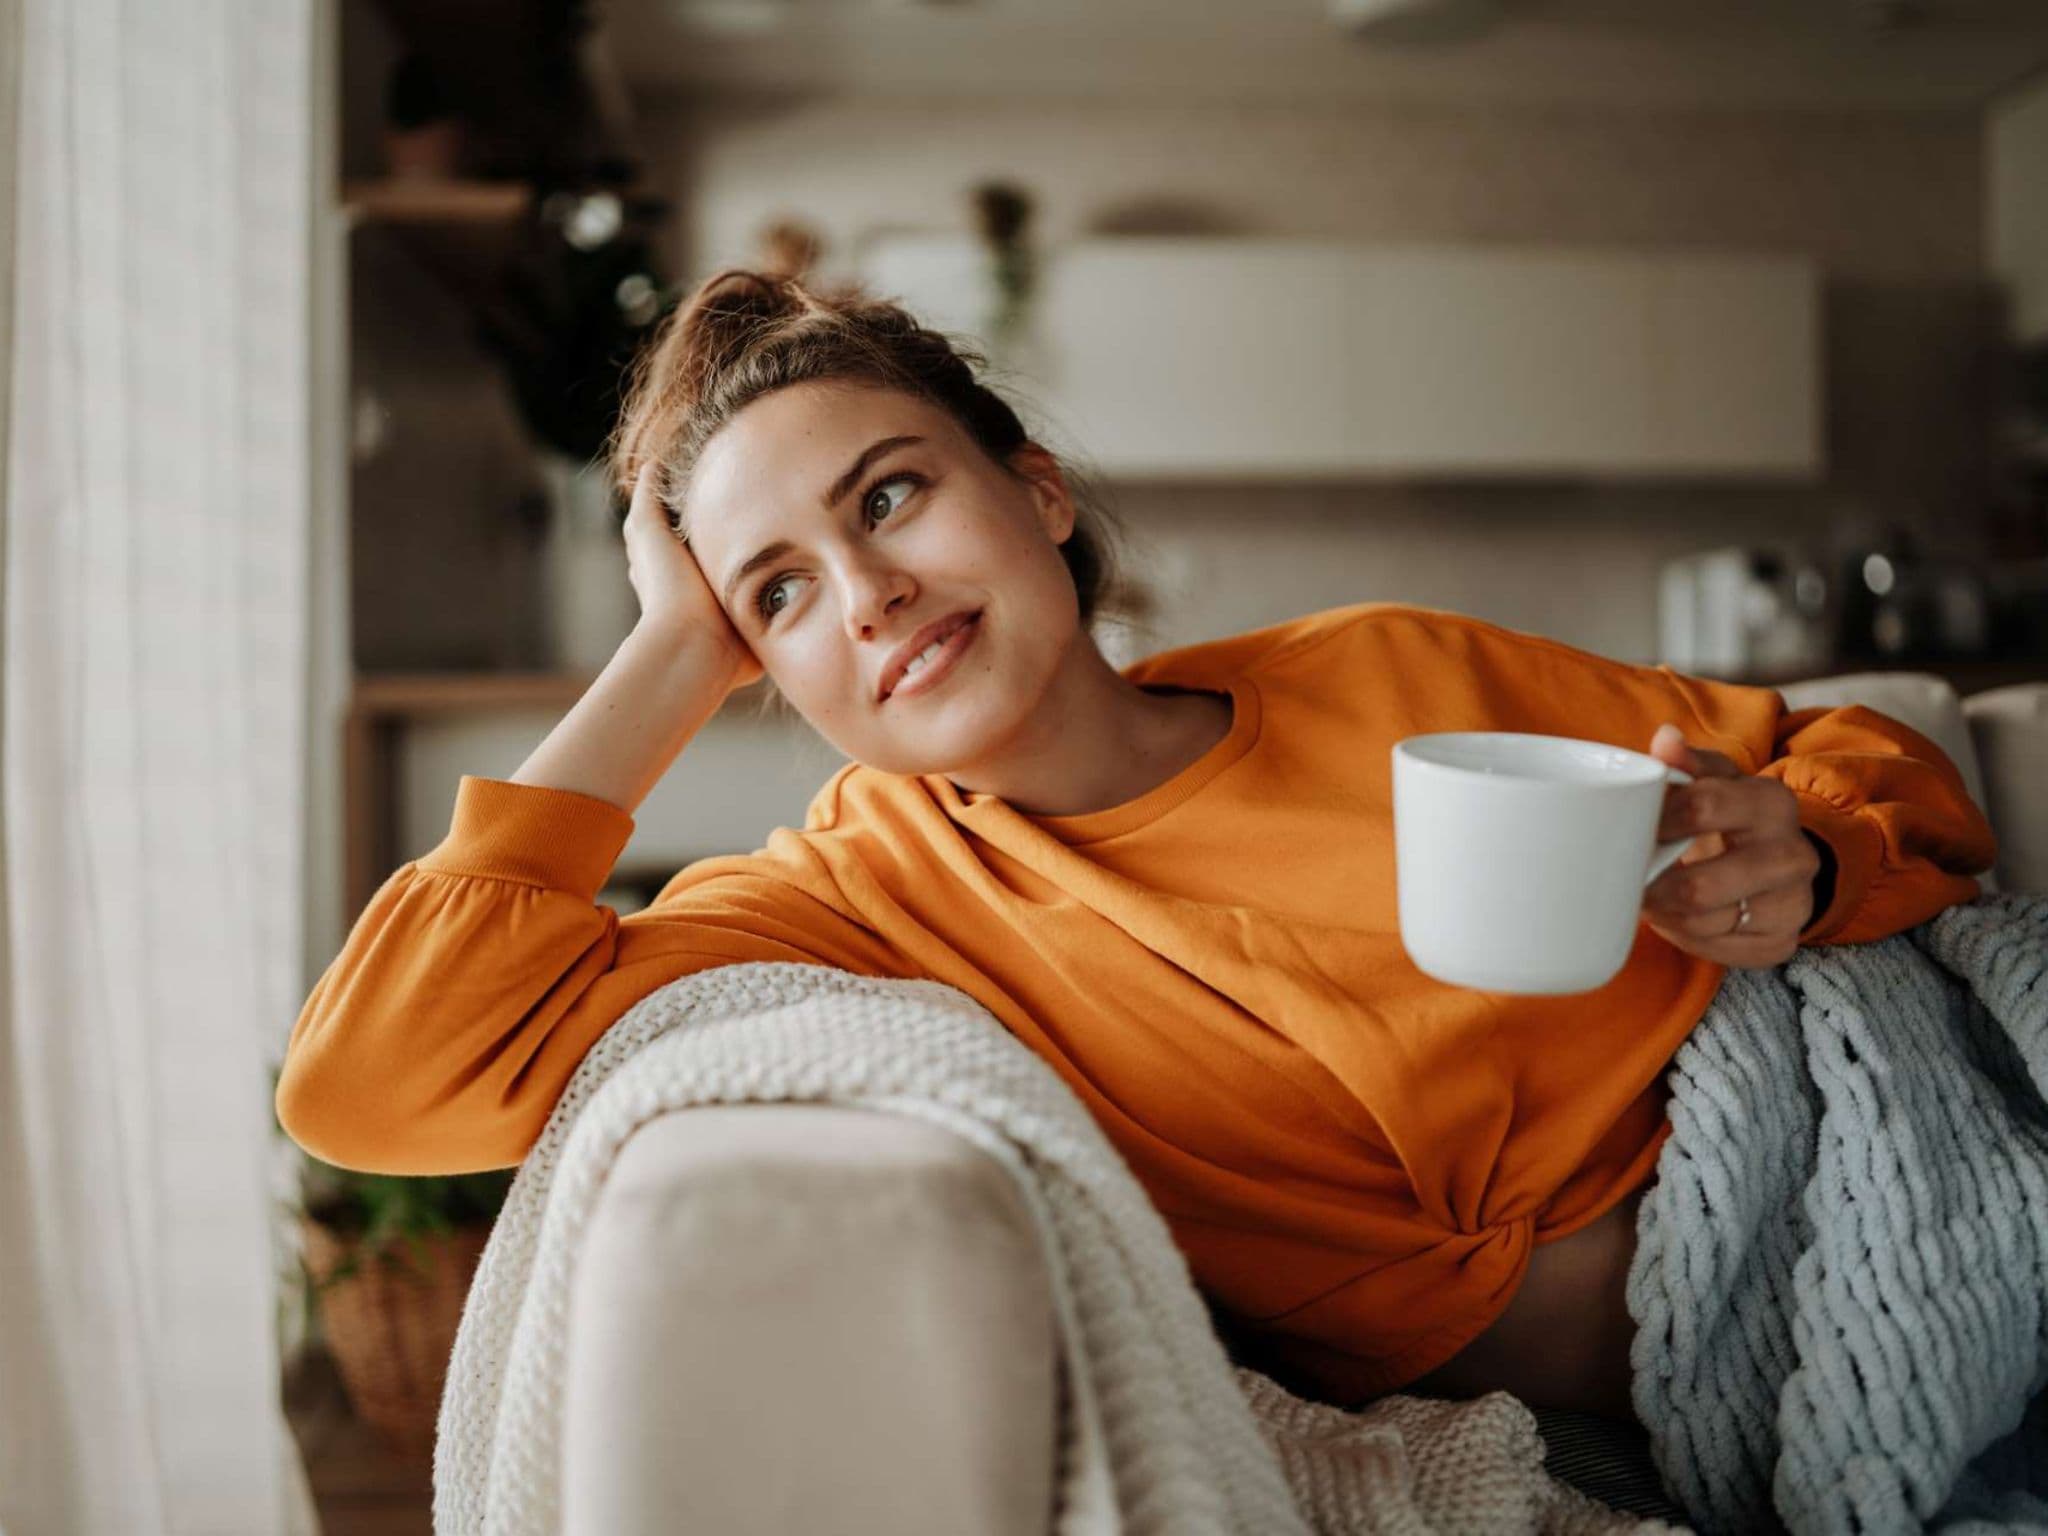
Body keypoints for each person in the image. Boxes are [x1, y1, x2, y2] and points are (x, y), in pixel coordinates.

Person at [275, 268, 1997, 1426]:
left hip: (1878, 1164)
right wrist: (663, 656)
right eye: (777, 595)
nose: (867, 593)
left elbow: (1872, 758)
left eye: (889, 496)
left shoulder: (1388, 671)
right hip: (1680, 1400)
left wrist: (1809, 856)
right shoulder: (855, 900)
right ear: (755, 668)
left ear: (1035, 493)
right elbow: (371, 1083)